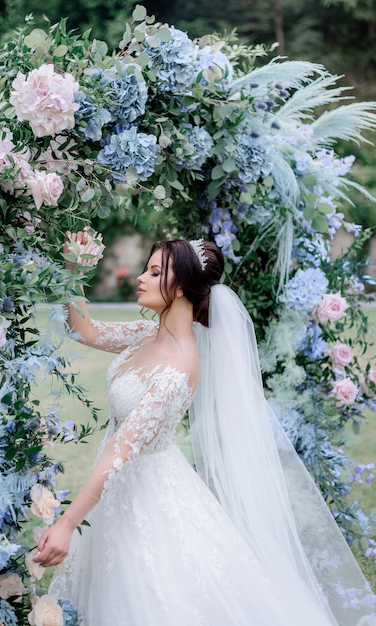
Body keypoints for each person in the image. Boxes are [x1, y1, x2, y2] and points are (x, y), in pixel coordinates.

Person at [35, 232, 376, 625]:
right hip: (116, 486)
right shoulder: (150, 333)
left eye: (155, 271)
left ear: (180, 288)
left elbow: (120, 449)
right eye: (146, 269)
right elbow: (87, 333)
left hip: (147, 490)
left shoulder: (179, 368)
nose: (141, 278)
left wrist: (66, 523)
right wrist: (73, 272)